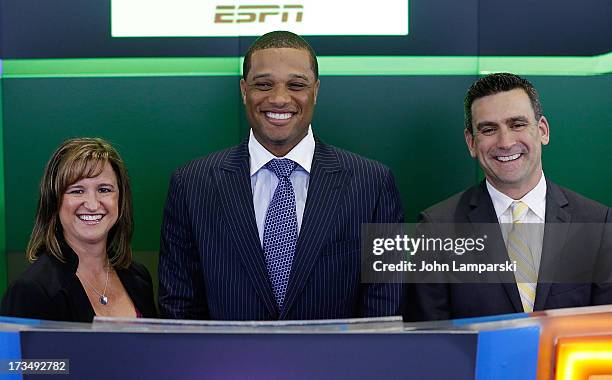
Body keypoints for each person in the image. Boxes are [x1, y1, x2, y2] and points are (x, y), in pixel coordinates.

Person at [158, 31, 404, 320]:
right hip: (227, 364)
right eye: (263, 84)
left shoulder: (373, 184)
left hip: (336, 364)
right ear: (243, 90)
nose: (279, 98)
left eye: (296, 84)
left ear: (316, 91)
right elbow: (179, 309)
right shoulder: (191, 185)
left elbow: (384, 310)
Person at [406, 73, 612, 321]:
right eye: (489, 129)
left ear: (543, 131)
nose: (505, 142)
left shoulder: (598, 224)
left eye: (517, 124)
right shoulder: (436, 228)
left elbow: (603, 336)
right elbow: (431, 343)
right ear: (471, 143)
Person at [1, 138, 157, 322]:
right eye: (77, 191)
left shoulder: (139, 278)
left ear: (121, 200)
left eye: (104, 189)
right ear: (54, 202)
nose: (92, 204)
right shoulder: (30, 291)